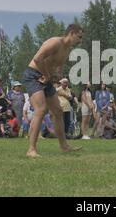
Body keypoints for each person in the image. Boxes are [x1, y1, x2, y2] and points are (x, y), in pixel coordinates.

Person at [23, 24, 83, 157]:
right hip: (33, 75)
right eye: (79, 37)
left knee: (58, 111)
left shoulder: (67, 49)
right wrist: (48, 75)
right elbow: (37, 59)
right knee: (41, 109)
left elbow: (59, 64)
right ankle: (31, 150)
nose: (80, 41)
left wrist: (58, 75)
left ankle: (64, 146)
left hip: (47, 78)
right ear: (71, 33)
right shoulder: (55, 42)